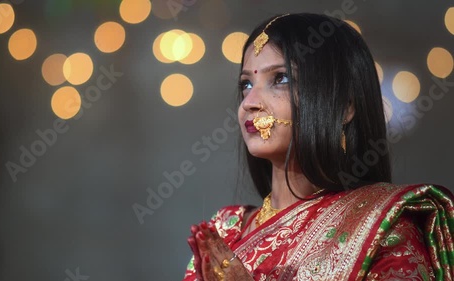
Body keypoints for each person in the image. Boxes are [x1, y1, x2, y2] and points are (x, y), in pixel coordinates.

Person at [182, 13, 454, 281]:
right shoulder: (226, 232)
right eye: (246, 84)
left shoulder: (384, 229)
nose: (249, 103)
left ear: (344, 106)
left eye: (281, 79)